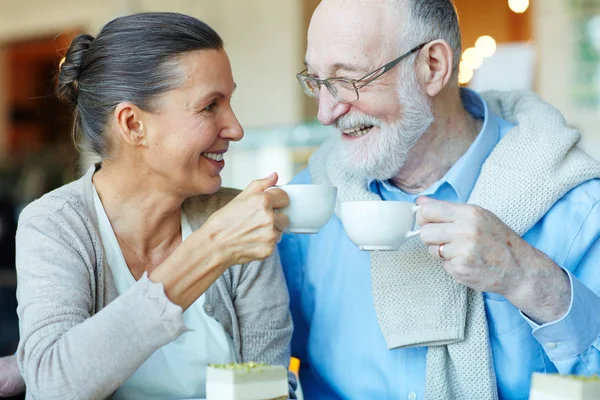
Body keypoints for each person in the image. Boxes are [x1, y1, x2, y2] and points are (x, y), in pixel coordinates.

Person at [278, 1, 600, 399]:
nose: (326, 113)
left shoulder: (580, 205)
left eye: (349, 80)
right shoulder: (305, 208)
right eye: (317, 80)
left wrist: (529, 278)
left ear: (432, 66)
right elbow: (257, 364)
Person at [16, 12, 295, 400]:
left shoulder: (234, 215)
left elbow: (268, 385)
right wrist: (210, 249)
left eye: (229, 101)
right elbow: (52, 385)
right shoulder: (55, 225)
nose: (235, 128)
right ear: (133, 125)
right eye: (210, 106)